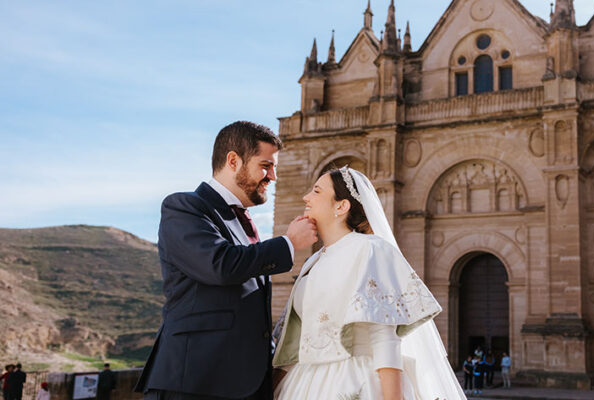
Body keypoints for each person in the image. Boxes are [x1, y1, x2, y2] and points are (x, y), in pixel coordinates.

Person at [134, 121, 318, 399]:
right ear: (233, 160)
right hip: (194, 381)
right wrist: (289, 244)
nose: (273, 176)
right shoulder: (185, 207)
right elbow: (220, 265)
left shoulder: (244, 223)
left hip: (247, 385)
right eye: (266, 165)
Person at [271, 167, 465, 399]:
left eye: (316, 191)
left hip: (356, 380)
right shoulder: (313, 260)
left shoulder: (371, 249)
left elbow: (384, 337)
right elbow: (297, 338)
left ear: (341, 206)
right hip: (303, 383)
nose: (306, 197)